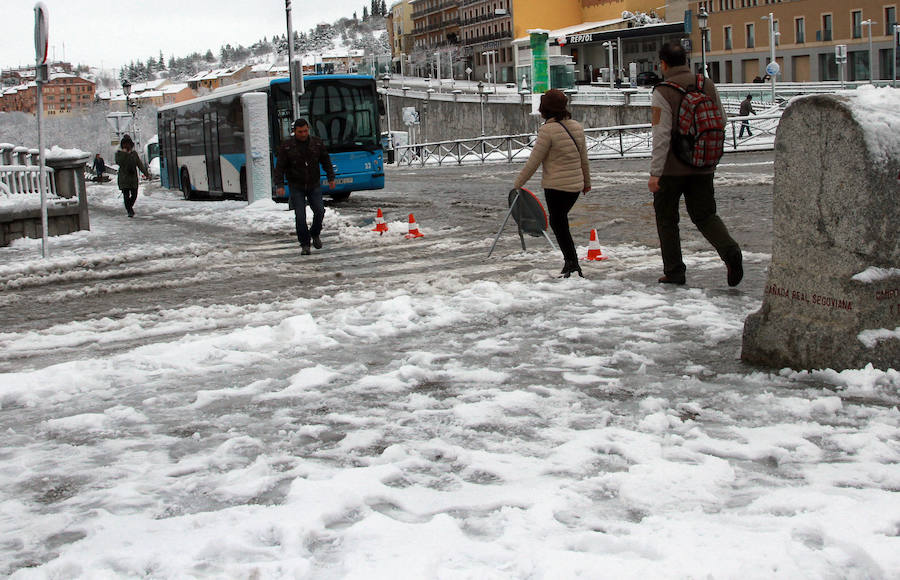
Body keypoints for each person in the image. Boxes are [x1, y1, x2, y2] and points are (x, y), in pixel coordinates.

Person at [647, 42, 742, 287]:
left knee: (667, 219)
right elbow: (720, 119)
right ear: (686, 61)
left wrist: (655, 173)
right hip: (703, 165)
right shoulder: (706, 84)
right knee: (705, 214)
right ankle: (729, 250)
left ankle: (674, 271)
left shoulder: (662, 91)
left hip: (671, 169)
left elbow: (661, 135)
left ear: (663, 64)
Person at [513, 89, 591, 278]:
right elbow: (584, 159)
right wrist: (587, 182)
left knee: (558, 223)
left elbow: (534, 161)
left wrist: (518, 184)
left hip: (556, 187)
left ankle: (572, 264)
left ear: (545, 109)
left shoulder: (547, 130)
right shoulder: (576, 127)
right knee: (560, 222)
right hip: (574, 186)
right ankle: (570, 263)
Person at [274, 119, 335, 255]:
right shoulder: (287, 146)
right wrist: (279, 184)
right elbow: (280, 167)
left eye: (305, 131)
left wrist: (331, 177)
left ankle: (315, 233)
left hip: (314, 184)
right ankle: (305, 244)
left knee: (319, 211)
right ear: (295, 131)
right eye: (300, 132)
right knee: (300, 216)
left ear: (309, 130)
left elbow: (326, 160)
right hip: (296, 185)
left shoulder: (317, 143)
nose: (303, 134)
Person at [115, 135, 149, 218]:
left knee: (134, 195)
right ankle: (129, 210)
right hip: (124, 178)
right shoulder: (119, 154)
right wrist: (124, 153)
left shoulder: (134, 154)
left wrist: (146, 173)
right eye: (125, 144)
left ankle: (129, 207)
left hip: (133, 178)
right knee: (126, 195)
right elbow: (119, 162)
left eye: (128, 144)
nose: (127, 146)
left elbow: (139, 164)